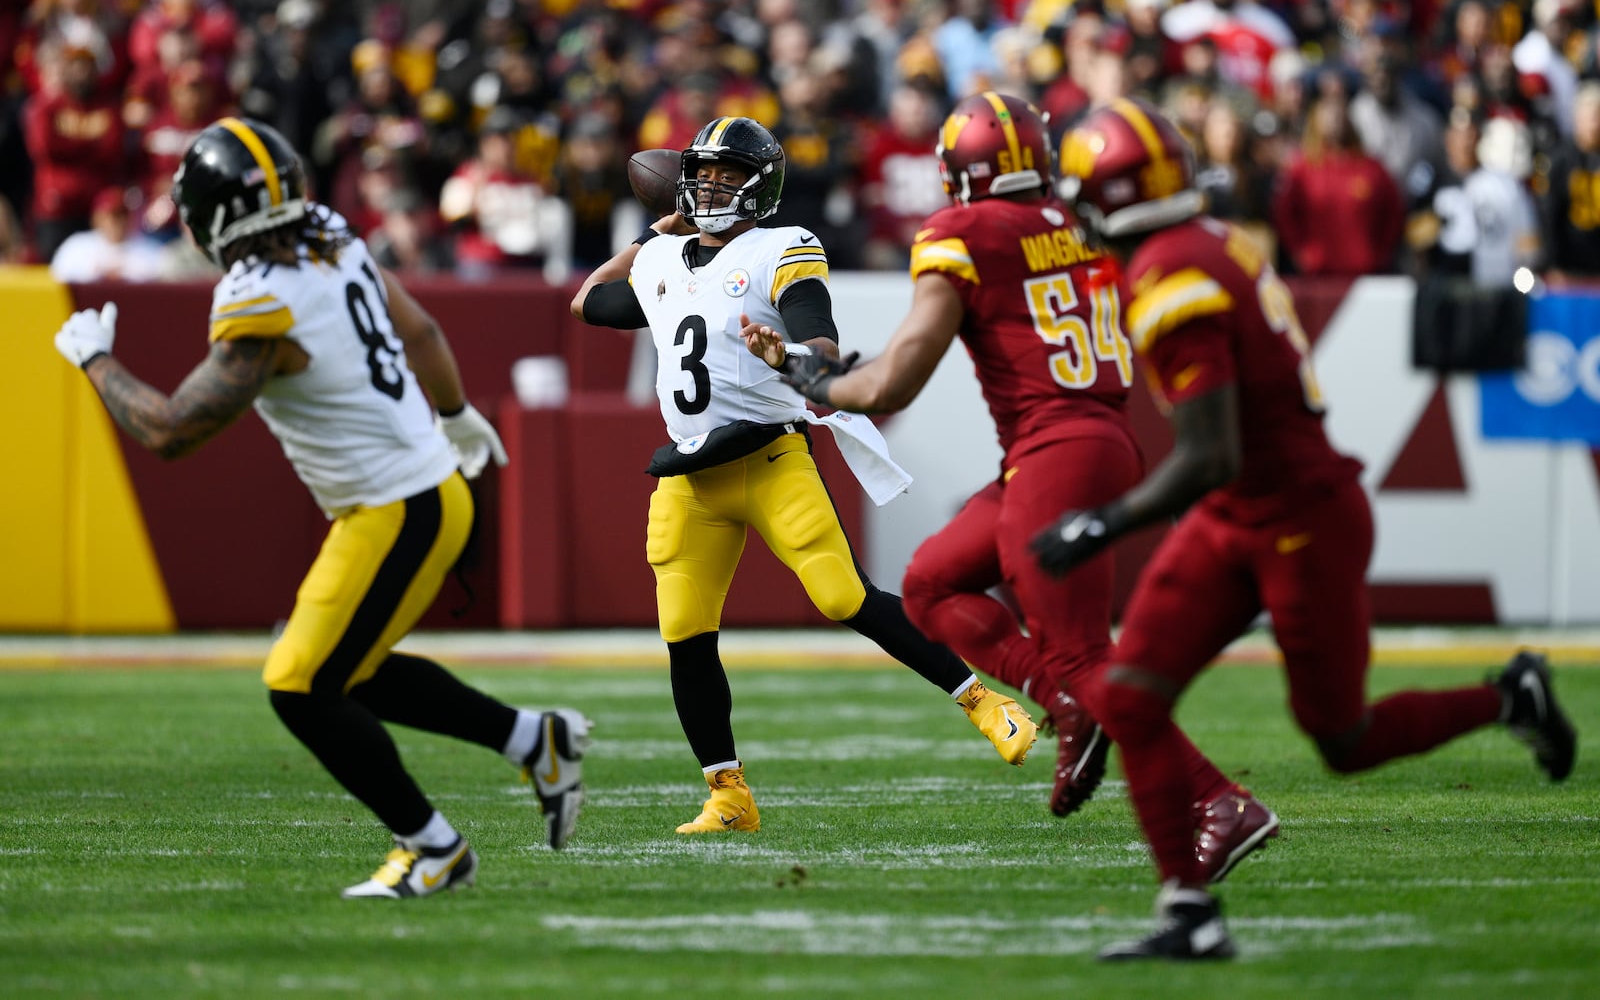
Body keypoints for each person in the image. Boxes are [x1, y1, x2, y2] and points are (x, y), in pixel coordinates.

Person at [1034, 98, 1579, 961]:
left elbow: (1212, 450)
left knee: (1343, 739)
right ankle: (1188, 912)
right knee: (1132, 696)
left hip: (1297, 518)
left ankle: (1510, 696)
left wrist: (1104, 521)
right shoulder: (1199, 245)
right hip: (1238, 510)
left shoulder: (1174, 273)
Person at [52, 116, 592, 899]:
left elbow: (170, 431)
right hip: (412, 494)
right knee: (343, 667)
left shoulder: (261, 294)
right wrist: (454, 410)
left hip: (398, 508)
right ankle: (531, 738)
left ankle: (434, 847)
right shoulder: (332, 235)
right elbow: (424, 327)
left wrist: (94, 359)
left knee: (300, 682)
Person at [762, 95, 1275, 876]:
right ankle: (1068, 707)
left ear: (960, 172)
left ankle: (1216, 799)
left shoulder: (961, 233)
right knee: (931, 583)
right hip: (1096, 438)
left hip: (1055, 450)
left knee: (1081, 655)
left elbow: (894, 383)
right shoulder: (1077, 222)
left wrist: (815, 376)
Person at [569, 115, 1037, 833]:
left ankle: (985, 702)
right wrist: (649, 234)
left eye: (727, 175)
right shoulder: (662, 260)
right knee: (685, 629)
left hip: (767, 452)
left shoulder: (779, 248)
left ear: (761, 188)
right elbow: (587, 302)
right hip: (689, 474)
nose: (709, 187)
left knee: (843, 594)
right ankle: (728, 794)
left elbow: (818, 330)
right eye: (700, 174)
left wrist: (786, 352)